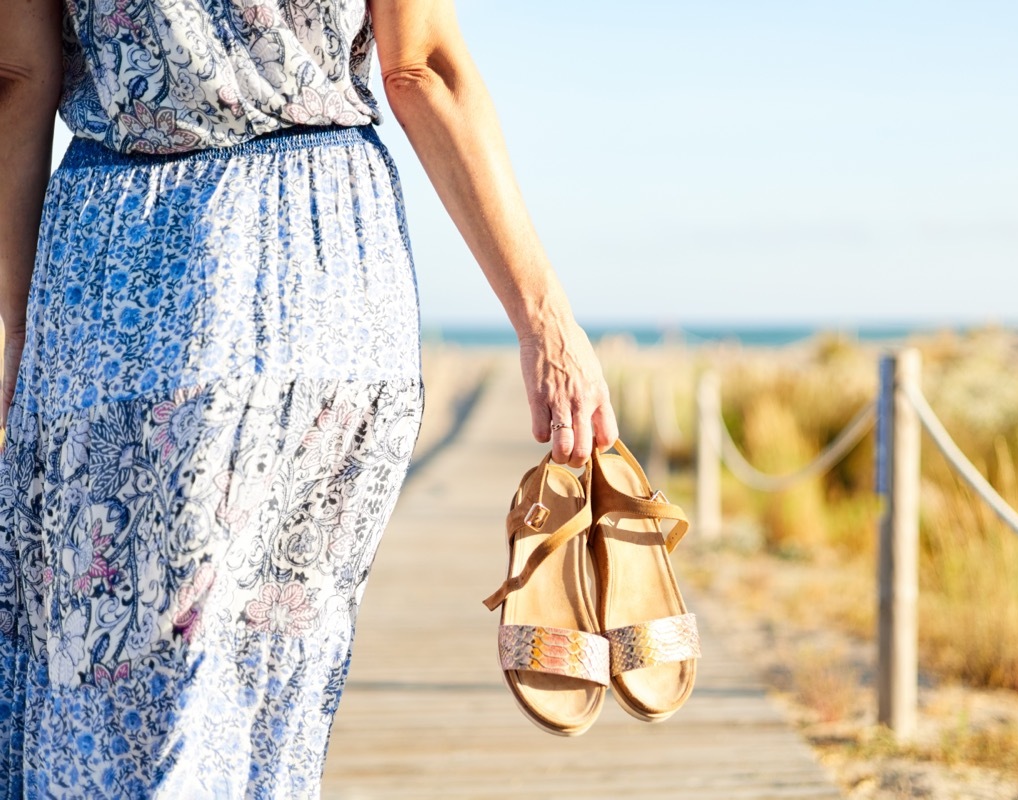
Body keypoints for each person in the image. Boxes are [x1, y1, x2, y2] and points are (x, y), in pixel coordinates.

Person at [0, 0, 617, 794]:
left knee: (124, 693)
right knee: (268, 686)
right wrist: (545, 321)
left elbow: (17, 76)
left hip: (124, 285)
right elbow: (420, 67)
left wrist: (18, 326)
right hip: (326, 281)